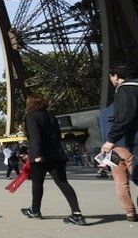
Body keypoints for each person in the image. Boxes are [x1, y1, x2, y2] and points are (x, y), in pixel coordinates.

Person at [21, 95, 86, 225]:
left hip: (40, 156)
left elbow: (35, 137)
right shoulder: (52, 117)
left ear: (30, 104)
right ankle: (77, 214)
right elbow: (57, 136)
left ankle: (35, 211)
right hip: (56, 155)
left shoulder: (31, 117)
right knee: (63, 183)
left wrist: (37, 154)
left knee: (37, 184)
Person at [99, 62, 138, 222]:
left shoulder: (104, 112)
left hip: (113, 149)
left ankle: (129, 213)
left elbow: (120, 120)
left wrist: (108, 142)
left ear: (116, 76)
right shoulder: (131, 91)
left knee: (121, 183)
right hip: (127, 145)